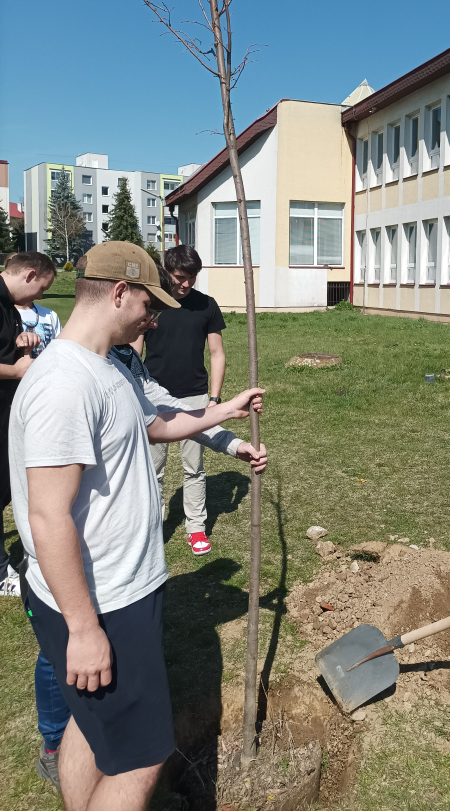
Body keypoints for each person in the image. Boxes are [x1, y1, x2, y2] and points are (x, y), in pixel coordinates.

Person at [10, 241, 264, 811]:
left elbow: (154, 423)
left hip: (112, 592)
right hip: (102, 602)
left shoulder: (106, 369)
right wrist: (83, 628)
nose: (156, 318)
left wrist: (224, 413)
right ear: (119, 292)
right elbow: (48, 516)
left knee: (92, 728)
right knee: (144, 759)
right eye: (150, 306)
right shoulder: (65, 386)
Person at [138, 245, 227, 556]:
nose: (186, 284)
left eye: (192, 278)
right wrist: (135, 392)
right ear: (167, 271)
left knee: (194, 467)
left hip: (195, 397)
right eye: (179, 277)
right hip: (153, 399)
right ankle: (151, 529)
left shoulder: (206, 306)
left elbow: (217, 354)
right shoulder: (152, 303)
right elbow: (135, 352)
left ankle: (196, 528)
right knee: (152, 469)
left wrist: (214, 399)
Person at [0, 252, 56, 596]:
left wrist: (22, 344)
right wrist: (14, 371)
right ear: (30, 275)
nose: (40, 297)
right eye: (42, 289)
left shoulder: (9, 306)